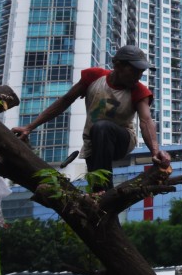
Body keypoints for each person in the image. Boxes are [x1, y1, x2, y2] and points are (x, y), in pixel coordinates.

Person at [12, 45, 171, 190]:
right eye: (134, 70)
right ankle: (101, 205)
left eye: (141, 71)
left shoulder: (139, 91)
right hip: (93, 143)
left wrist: (155, 151)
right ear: (118, 65)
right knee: (95, 184)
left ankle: (105, 193)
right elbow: (65, 100)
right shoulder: (94, 77)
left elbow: (146, 120)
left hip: (122, 140)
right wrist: (29, 127)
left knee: (102, 128)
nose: (139, 75)